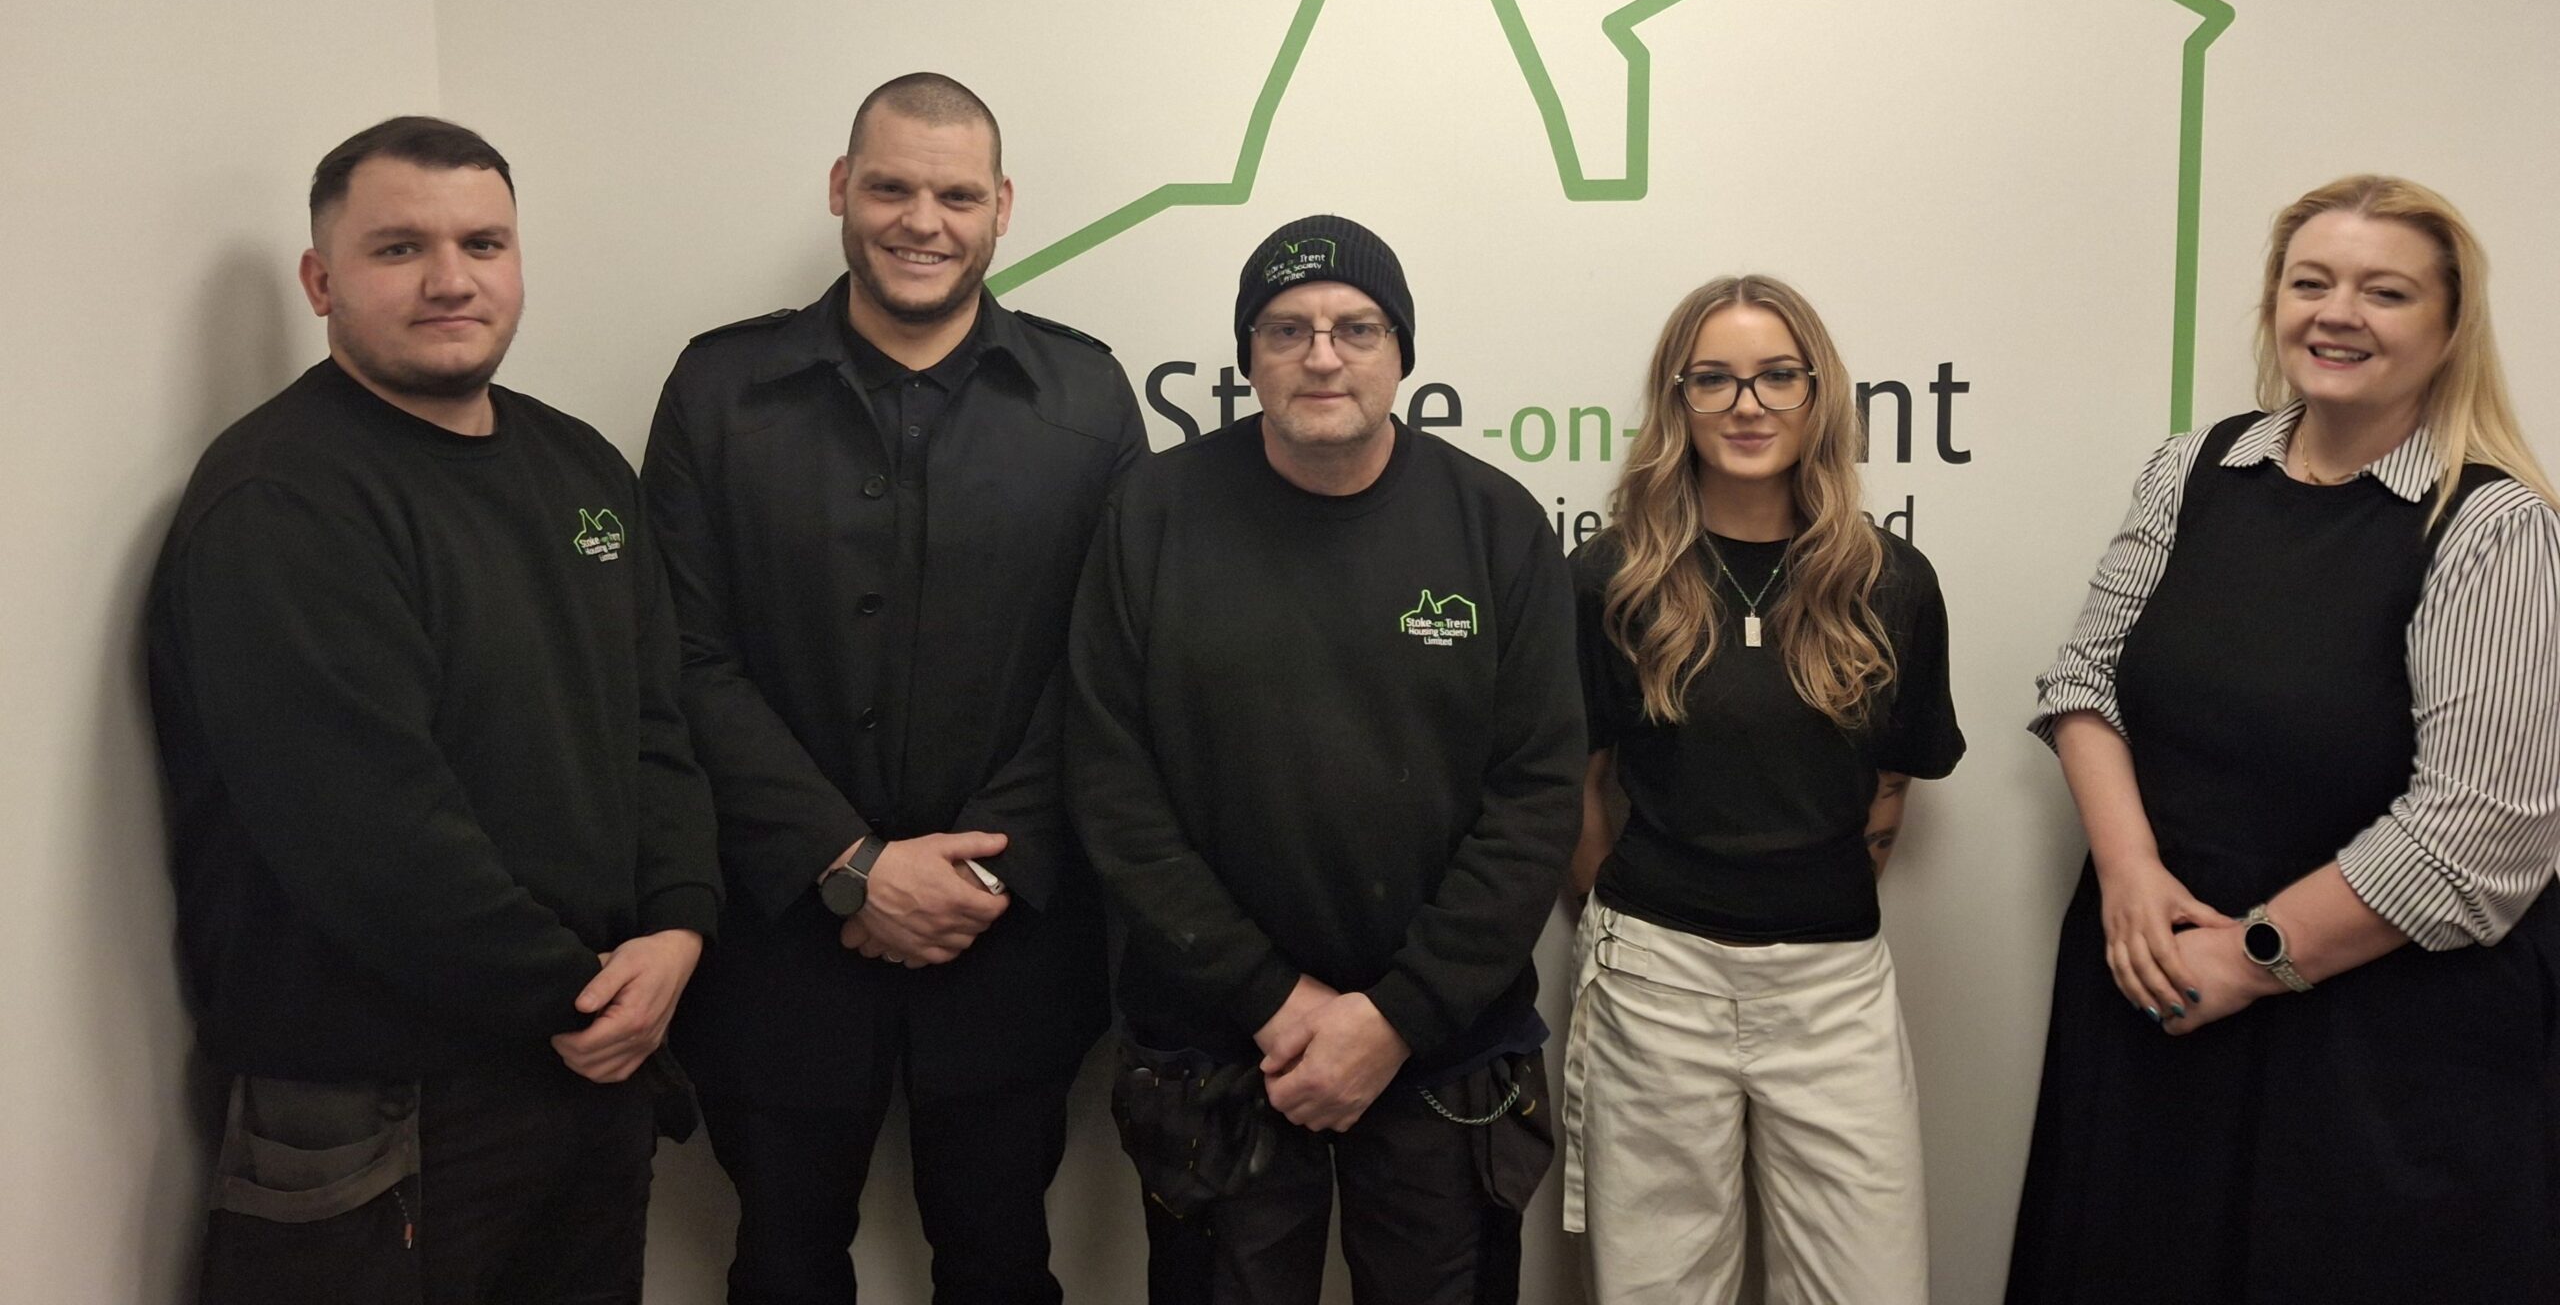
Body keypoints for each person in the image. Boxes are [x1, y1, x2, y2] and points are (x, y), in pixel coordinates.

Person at [147, 115, 722, 1305]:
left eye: (483, 243)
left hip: (585, 1067)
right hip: (381, 1111)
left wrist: (679, 928)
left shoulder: (579, 468)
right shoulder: (282, 501)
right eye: (400, 248)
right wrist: (579, 996)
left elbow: (653, 728)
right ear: (321, 281)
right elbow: (367, 831)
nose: (451, 279)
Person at [2007, 174, 2560, 1301]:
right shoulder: (2193, 469)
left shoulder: (2494, 526)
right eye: (2311, 283)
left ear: (2450, 327)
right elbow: (2084, 680)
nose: (2337, 313)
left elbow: (2480, 833)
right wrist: (2128, 876)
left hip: (2375, 1041)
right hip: (2157, 985)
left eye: (2385, 292)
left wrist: (2251, 957)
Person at [645, 73, 1146, 1305]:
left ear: (1002, 208)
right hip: (778, 946)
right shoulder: (719, 390)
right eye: (891, 188)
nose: (923, 221)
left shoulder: (1086, 398)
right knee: (781, 1266)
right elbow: (682, 658)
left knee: (1002, 1266)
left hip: (1010, 942)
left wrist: (977, 875)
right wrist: (848, 862)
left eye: (956, 196)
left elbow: (1110, 668)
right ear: (840, 189)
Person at [1068, 213, 1585, 1305]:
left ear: (1401, 351)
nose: (1321, 356)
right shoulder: (1152, 515)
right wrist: (1274, 1000)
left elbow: (1536, 796)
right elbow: (1113, 786)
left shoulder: (1494, 524)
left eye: (1356, 328)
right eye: (1286, 329)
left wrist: (1393, 1019)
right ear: (1248, 354)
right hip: (1220, 1050)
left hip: (1443, 1051)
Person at [1561, 274, 1963, 1305]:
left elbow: (1891, 781)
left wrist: (1801, 899)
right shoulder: (1612, 577)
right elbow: (1576, 782)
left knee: (1869, 1287)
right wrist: (1639, 919)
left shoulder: (1889, 580)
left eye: (1777, 376)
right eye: (1715, 380)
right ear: (1678, 400)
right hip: (1655, 979)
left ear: (1818, 393)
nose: (1747, 406)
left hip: (1833, 984)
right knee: (1657, 1290)